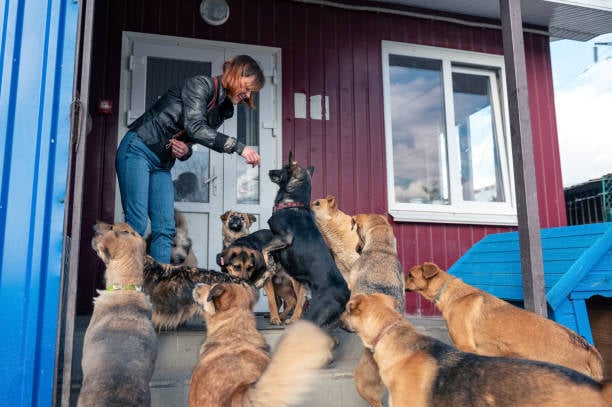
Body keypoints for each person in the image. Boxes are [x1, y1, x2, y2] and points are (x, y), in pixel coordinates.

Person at [115, 55, 264, 263]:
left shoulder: (224, 109)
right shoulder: (200, 85)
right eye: (247, 88)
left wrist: (185, 151)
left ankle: (159, 288)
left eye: (251, 92)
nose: (247, 95)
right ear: (235, 76)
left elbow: (194, 139)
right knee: (136, 224)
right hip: (138, 148)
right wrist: (240, 148)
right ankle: (123, 285)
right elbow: (196, 128)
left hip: (162, 163)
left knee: (166, 229)